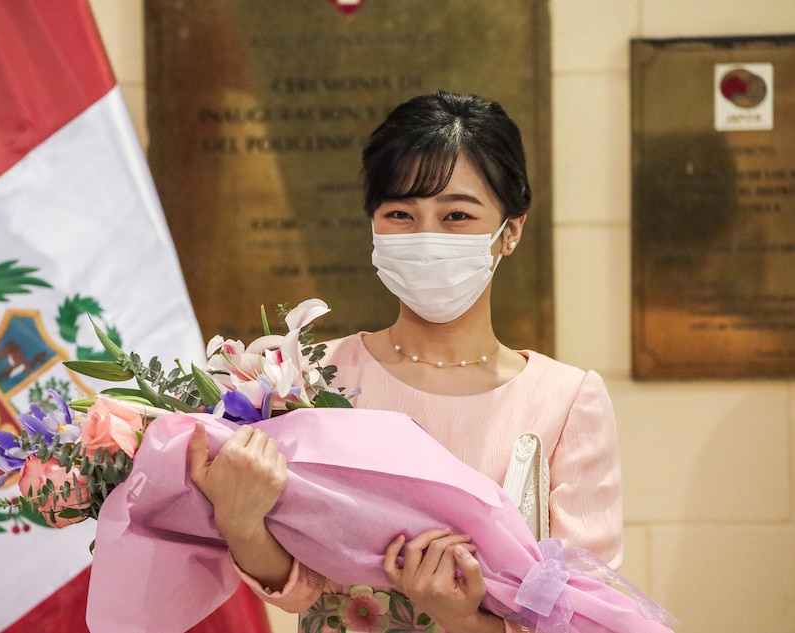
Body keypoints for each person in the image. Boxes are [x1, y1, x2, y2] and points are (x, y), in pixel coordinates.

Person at [187, 91, 623, 633]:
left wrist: (460, 619)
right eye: (400, 214)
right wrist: (241, 524)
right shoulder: (309, 375)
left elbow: (589, 617)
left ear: (510, 231)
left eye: (456, 215)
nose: (427, 237)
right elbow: (304, 588)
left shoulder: (566, 401)